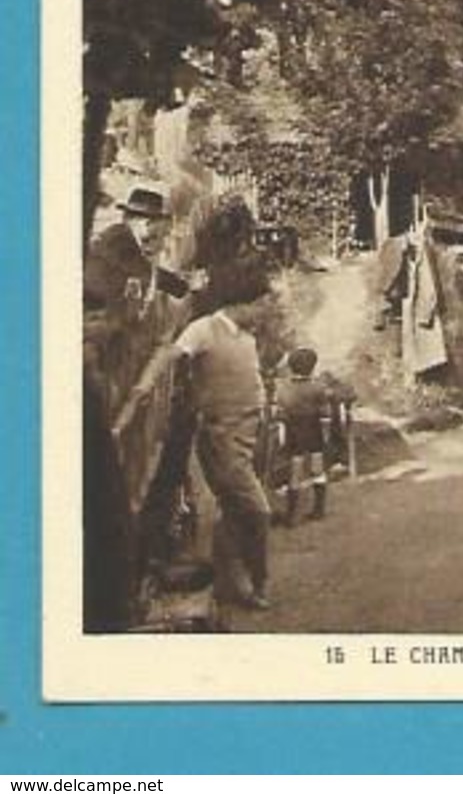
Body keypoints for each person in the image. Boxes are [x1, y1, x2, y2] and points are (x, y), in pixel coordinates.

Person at [171, 208, 277, 611]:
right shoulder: (205, 328)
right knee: (257, 511)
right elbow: (174, 355)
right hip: (222, 433)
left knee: (234, 514)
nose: (264, 309)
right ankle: (257, 583)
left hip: (252, 431)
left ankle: (233, 583)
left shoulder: (245, 336)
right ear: (241, 302)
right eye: (259, 303)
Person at [84, 182, 195, 313]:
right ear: (144, 222)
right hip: (90, 303)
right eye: (153, 222)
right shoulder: (119, 240)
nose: (153, 229)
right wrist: (183, 287)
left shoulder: (122, 235)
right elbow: (144, 271)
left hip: (96, 302)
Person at [273, 347, 346, 527]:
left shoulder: (283, 388)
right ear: (312, 367)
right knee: (317, 469)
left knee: (295, 472)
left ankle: (291, 515)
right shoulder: (318, 388)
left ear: (291, 367)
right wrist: (327, 434)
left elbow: (280, 415)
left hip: (293, 431)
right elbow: (325, 414)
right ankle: (319, 509)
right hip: (314, 431)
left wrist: (281, 437)